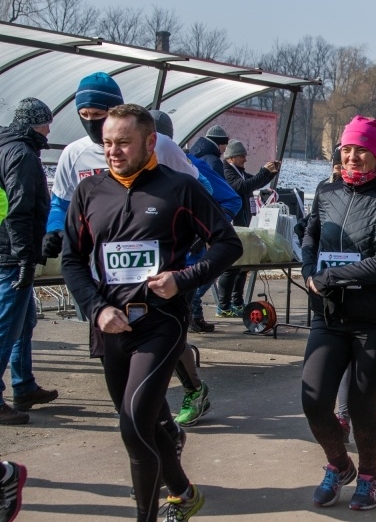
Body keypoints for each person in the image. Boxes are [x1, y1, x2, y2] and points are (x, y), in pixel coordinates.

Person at [61, 104, 243, 522]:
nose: (113, 151)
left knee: (132, 424)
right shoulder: (89, 192)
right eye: (107, 142)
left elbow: (226, 244)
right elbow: (72, 260)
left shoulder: (180, 188)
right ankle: (183, 491)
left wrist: (184, 278)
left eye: (123, 142)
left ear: (149, 142)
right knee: (150, 422)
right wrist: (96, 308)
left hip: (161, 321)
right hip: (111, 324)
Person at [300, 115, 376, 510]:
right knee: (313, 402)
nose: (352, 156)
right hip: (328, 316)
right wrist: (309, 271)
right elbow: (311, 235)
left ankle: (369, 476)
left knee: (362, 407)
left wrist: (329, 276)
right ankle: (337, 464)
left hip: (374, 319)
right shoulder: (325, 191)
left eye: (361, 149)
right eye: (347, 149)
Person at [42, 72, 199, 262]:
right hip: (97, 261)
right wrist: (54, 230)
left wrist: (194, 228)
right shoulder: (73, 153)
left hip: (158, 260)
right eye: (84, 115)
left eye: (98, 114)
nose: (91, 121)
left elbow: (199, 188)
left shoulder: (158, 146)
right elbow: (60, 204)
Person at [149, 110, 242, 428]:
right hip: (129, 279)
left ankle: (191, 392)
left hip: (177, 270)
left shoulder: (194, 168)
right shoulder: (110, 176)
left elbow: (229, 203)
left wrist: (202, 234)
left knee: (167, 335)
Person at [0, 98, 59, 425]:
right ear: (34, 124)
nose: (49, 129)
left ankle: (24, 385)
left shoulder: (6, 148)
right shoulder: (21, 155)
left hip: (8, 249)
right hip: (11, 254)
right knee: (6, 328)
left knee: (24, 323)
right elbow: (20, 209)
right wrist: (25, 256)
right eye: (46, 123)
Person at [218, 140, 280, 317]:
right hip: (233, 226)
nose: (245, 159)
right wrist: (264, 172)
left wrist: (269, 174)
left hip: (244, 225)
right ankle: (223, 305)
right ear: (231, 158)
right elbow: (242, 187)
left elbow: (253, 182)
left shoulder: (239, 172)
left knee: (242, 266)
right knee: (231, 267)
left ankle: (237, 302)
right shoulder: (227, 172)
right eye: (242, 156)